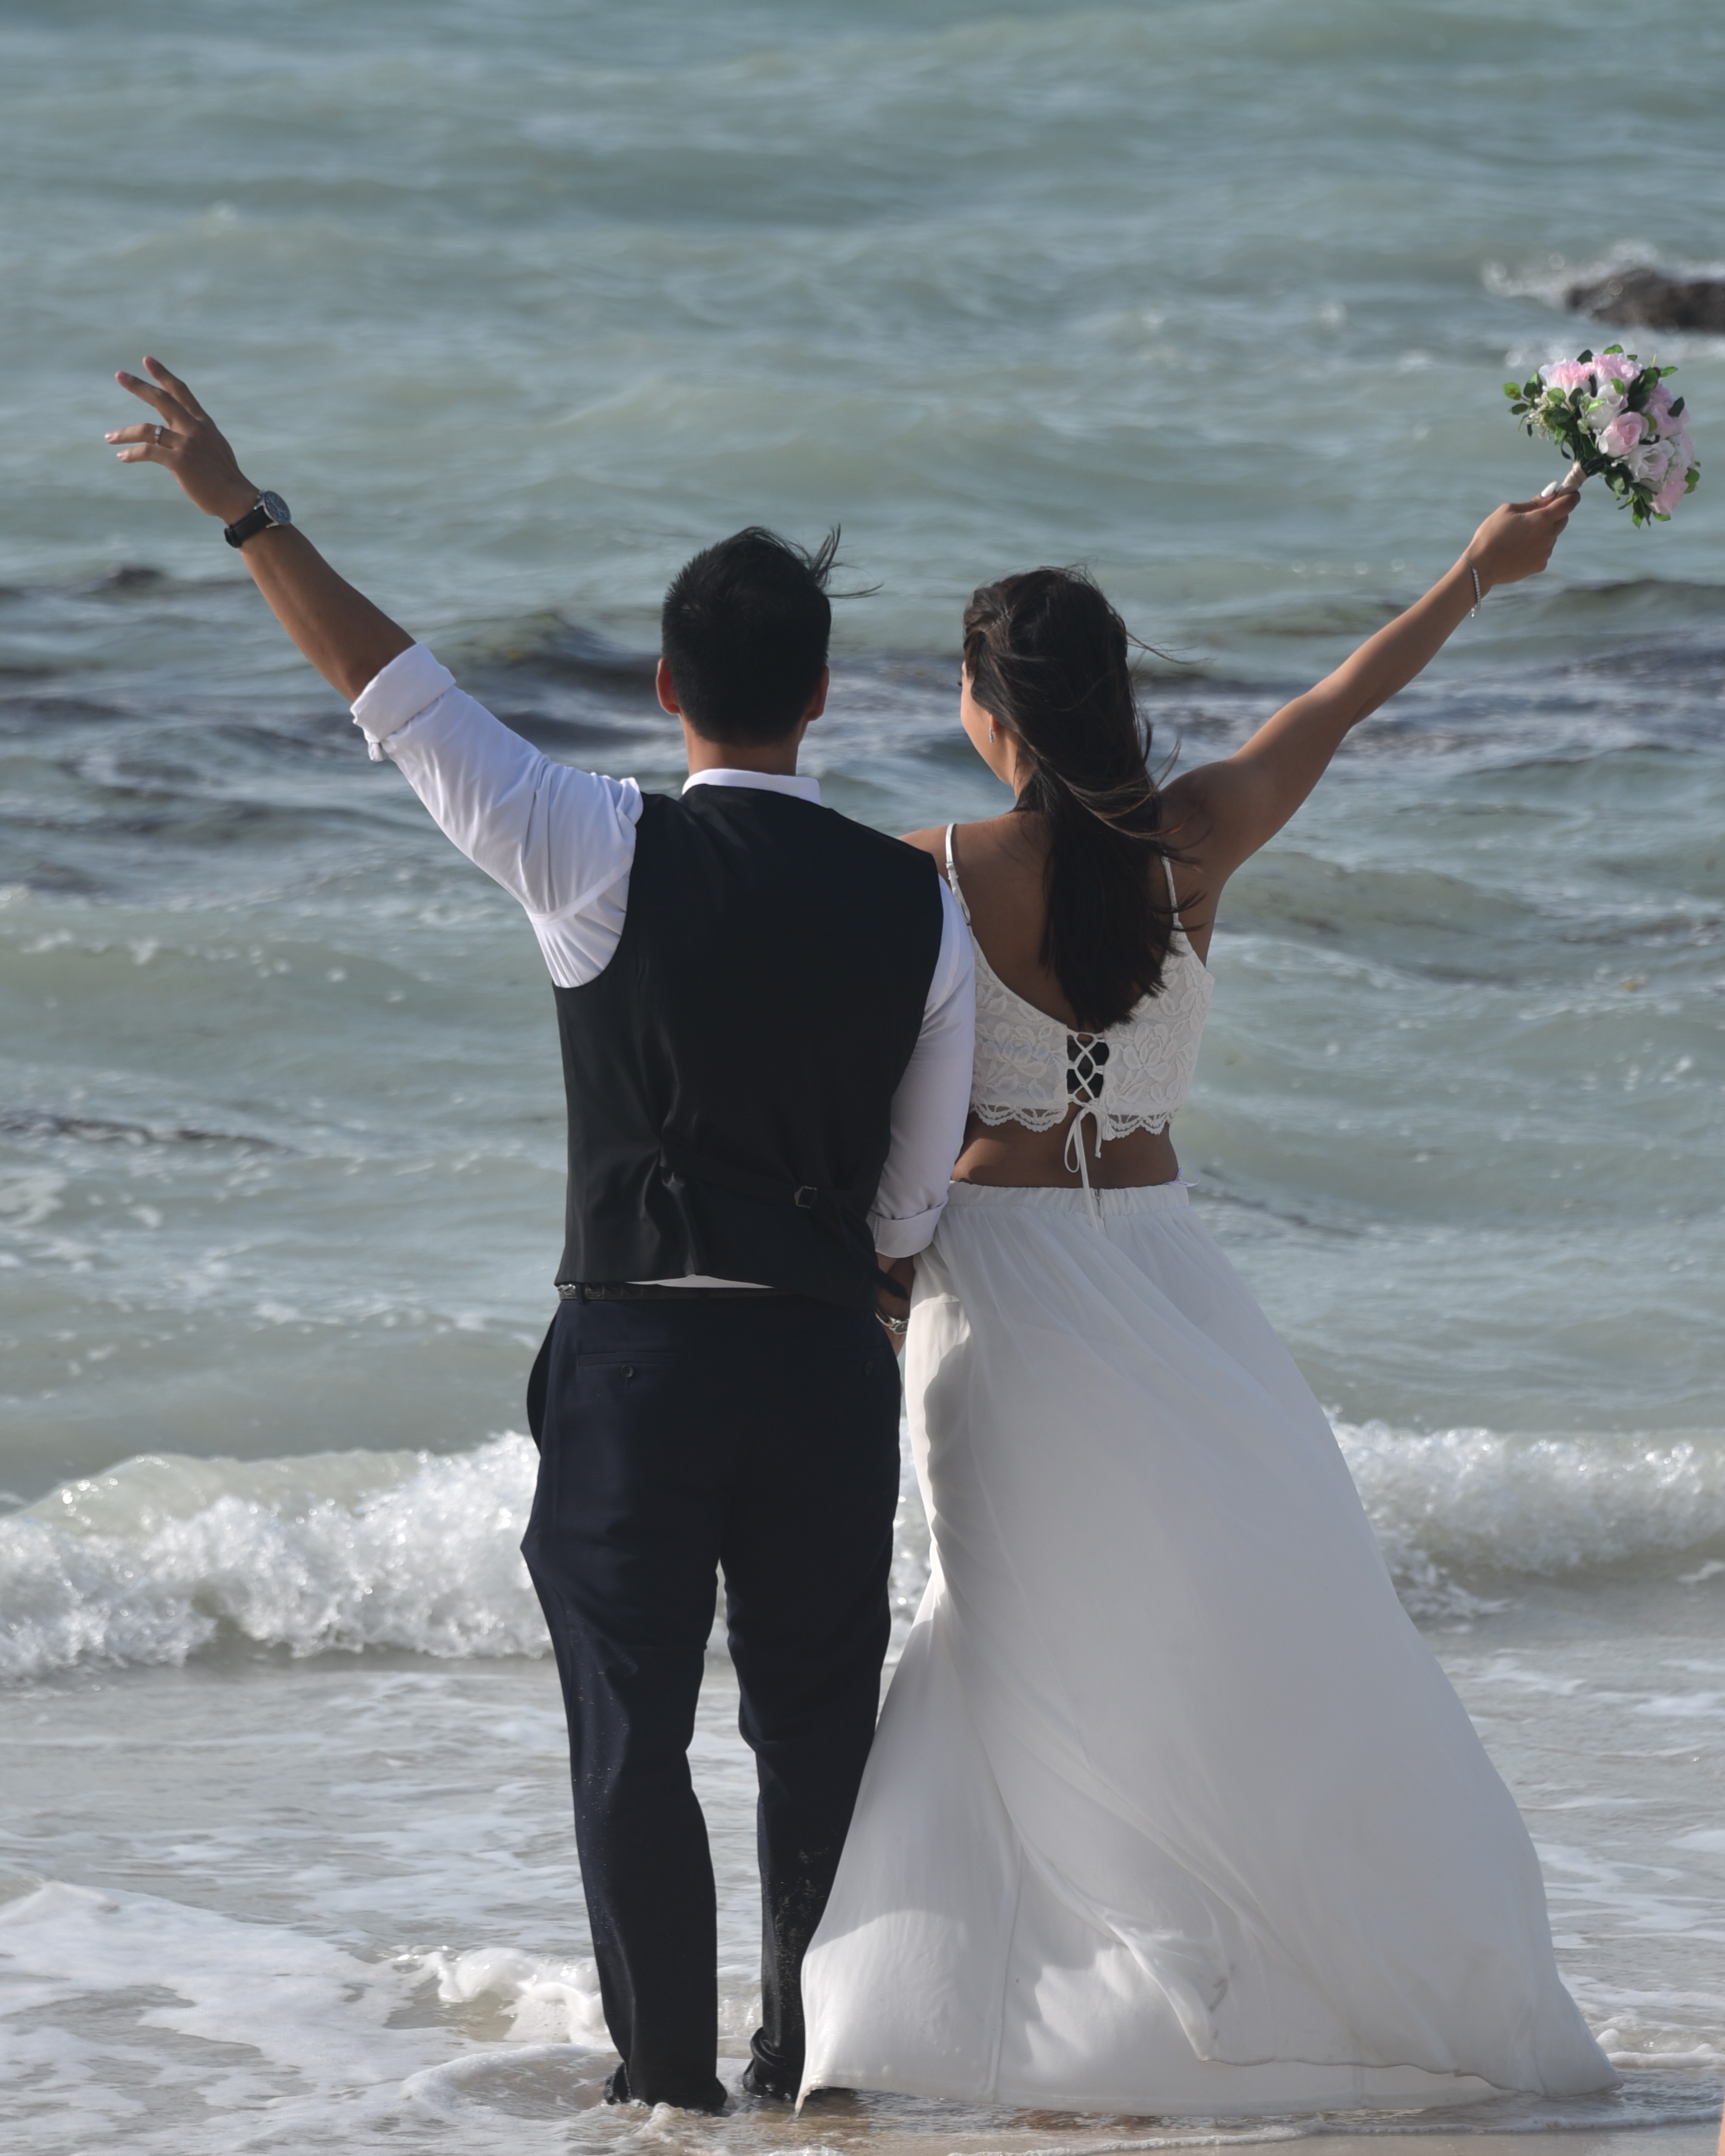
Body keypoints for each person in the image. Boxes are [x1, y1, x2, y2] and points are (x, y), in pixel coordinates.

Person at [105, 358, 976, 2113]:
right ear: (822, 695)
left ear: (665, 689)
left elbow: (394, 691)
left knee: (630, 1732)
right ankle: (805, 2072)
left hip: (641, 1361)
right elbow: (912, 1196)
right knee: (816, 1732)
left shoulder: (594, 845)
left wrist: (245, 511)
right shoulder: (923, 902)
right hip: (823, 1362)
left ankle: (666, 2094)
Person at [800, 493, 1621, 2114]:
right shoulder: (1194, 841)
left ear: (990, 708)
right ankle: (1258, 1983)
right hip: (1172, 1279)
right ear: (1108, 699)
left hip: (999, 1292)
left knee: (1010, 1634)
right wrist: (1474, 569)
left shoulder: (927, 874)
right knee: (1219, 1630)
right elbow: (1337, 703)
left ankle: (978, 2018)